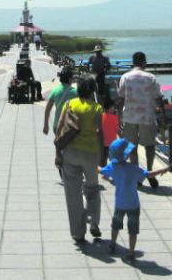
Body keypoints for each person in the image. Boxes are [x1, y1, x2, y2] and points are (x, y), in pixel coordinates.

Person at [100, 138, 169, 262]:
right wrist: (162, 170)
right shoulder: (133, 168)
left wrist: (89, 162)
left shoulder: (112, 167)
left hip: (120, 204)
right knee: (133, 230)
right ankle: (131, 252)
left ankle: (112, 245)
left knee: (115, 225)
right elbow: (148, 174)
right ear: (126, 155)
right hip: (133, 204)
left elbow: (101, 171)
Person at [57, 76, 104, 244]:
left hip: (70, 152)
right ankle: (93, 221)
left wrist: (58, 152)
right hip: (90, 153)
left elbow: (60, 127)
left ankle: (78, 232)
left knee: (73, 193)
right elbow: (99, 133)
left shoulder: (69, 104)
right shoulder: (97, 108)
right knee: (92, 188)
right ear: (92, 92)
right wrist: (103, 156)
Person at [117, 51, 163, 188]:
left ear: (133, 63)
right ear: (144, 62)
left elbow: (120, 98)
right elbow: (159, 98)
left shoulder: (125, 77)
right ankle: (149, 172)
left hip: (130, 116)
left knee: (132, 147)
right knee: (149, 146)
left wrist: (118, 117)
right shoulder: (151, 77)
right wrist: (163, 119)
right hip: (147, 116)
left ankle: (137, 175)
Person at [43, 68, 77, 136]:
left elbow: (47, 109)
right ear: (70, 79)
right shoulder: (75, 92)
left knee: (59, 144)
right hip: (70, 125)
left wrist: (46, 125)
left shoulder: (54, 91)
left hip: (57, 125)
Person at [100, 95, 119, 166]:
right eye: (113, 107)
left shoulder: (102, 115)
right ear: (109, 108)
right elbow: (116, 129)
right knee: (112, 159)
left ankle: (104, 172)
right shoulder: (114, 118)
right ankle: (111, 171)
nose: (114, 108)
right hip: (112, 142)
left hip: (104, 142)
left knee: (104, 158)